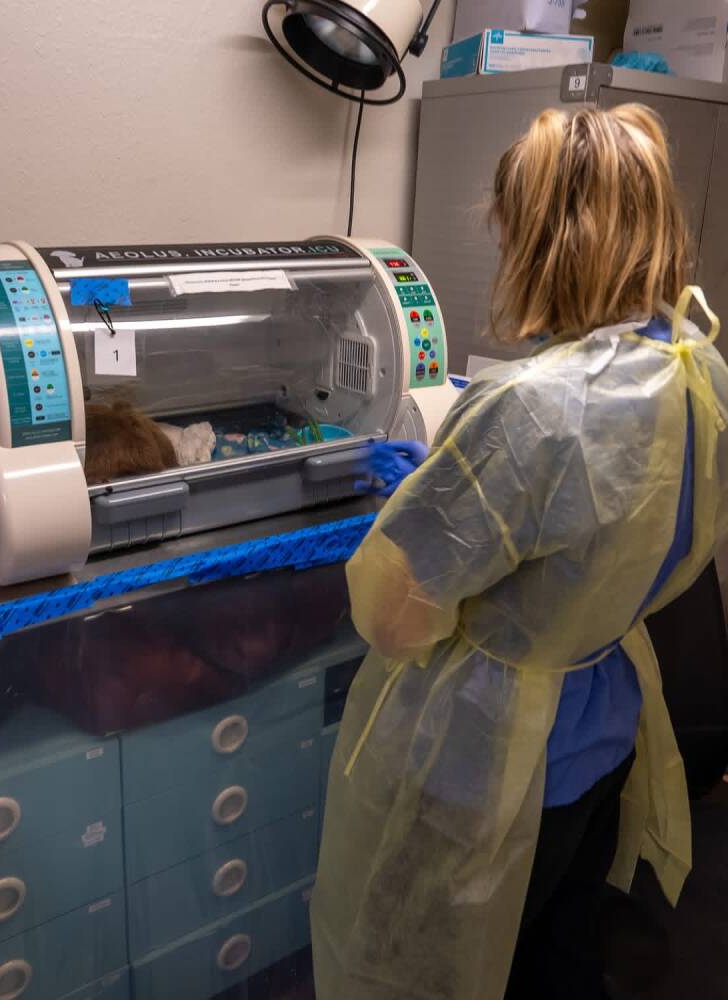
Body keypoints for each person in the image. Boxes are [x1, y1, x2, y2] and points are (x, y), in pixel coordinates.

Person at [310, 104, 728, 1000]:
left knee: (442, 965)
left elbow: (393, 616)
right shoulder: (696, 367)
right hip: (605, 725)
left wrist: (432, 501)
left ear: (545, 238)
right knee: (560, 952)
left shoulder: (528, 407)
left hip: (498, 763)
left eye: (509, 226)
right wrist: (463, 481)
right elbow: (619, 529)